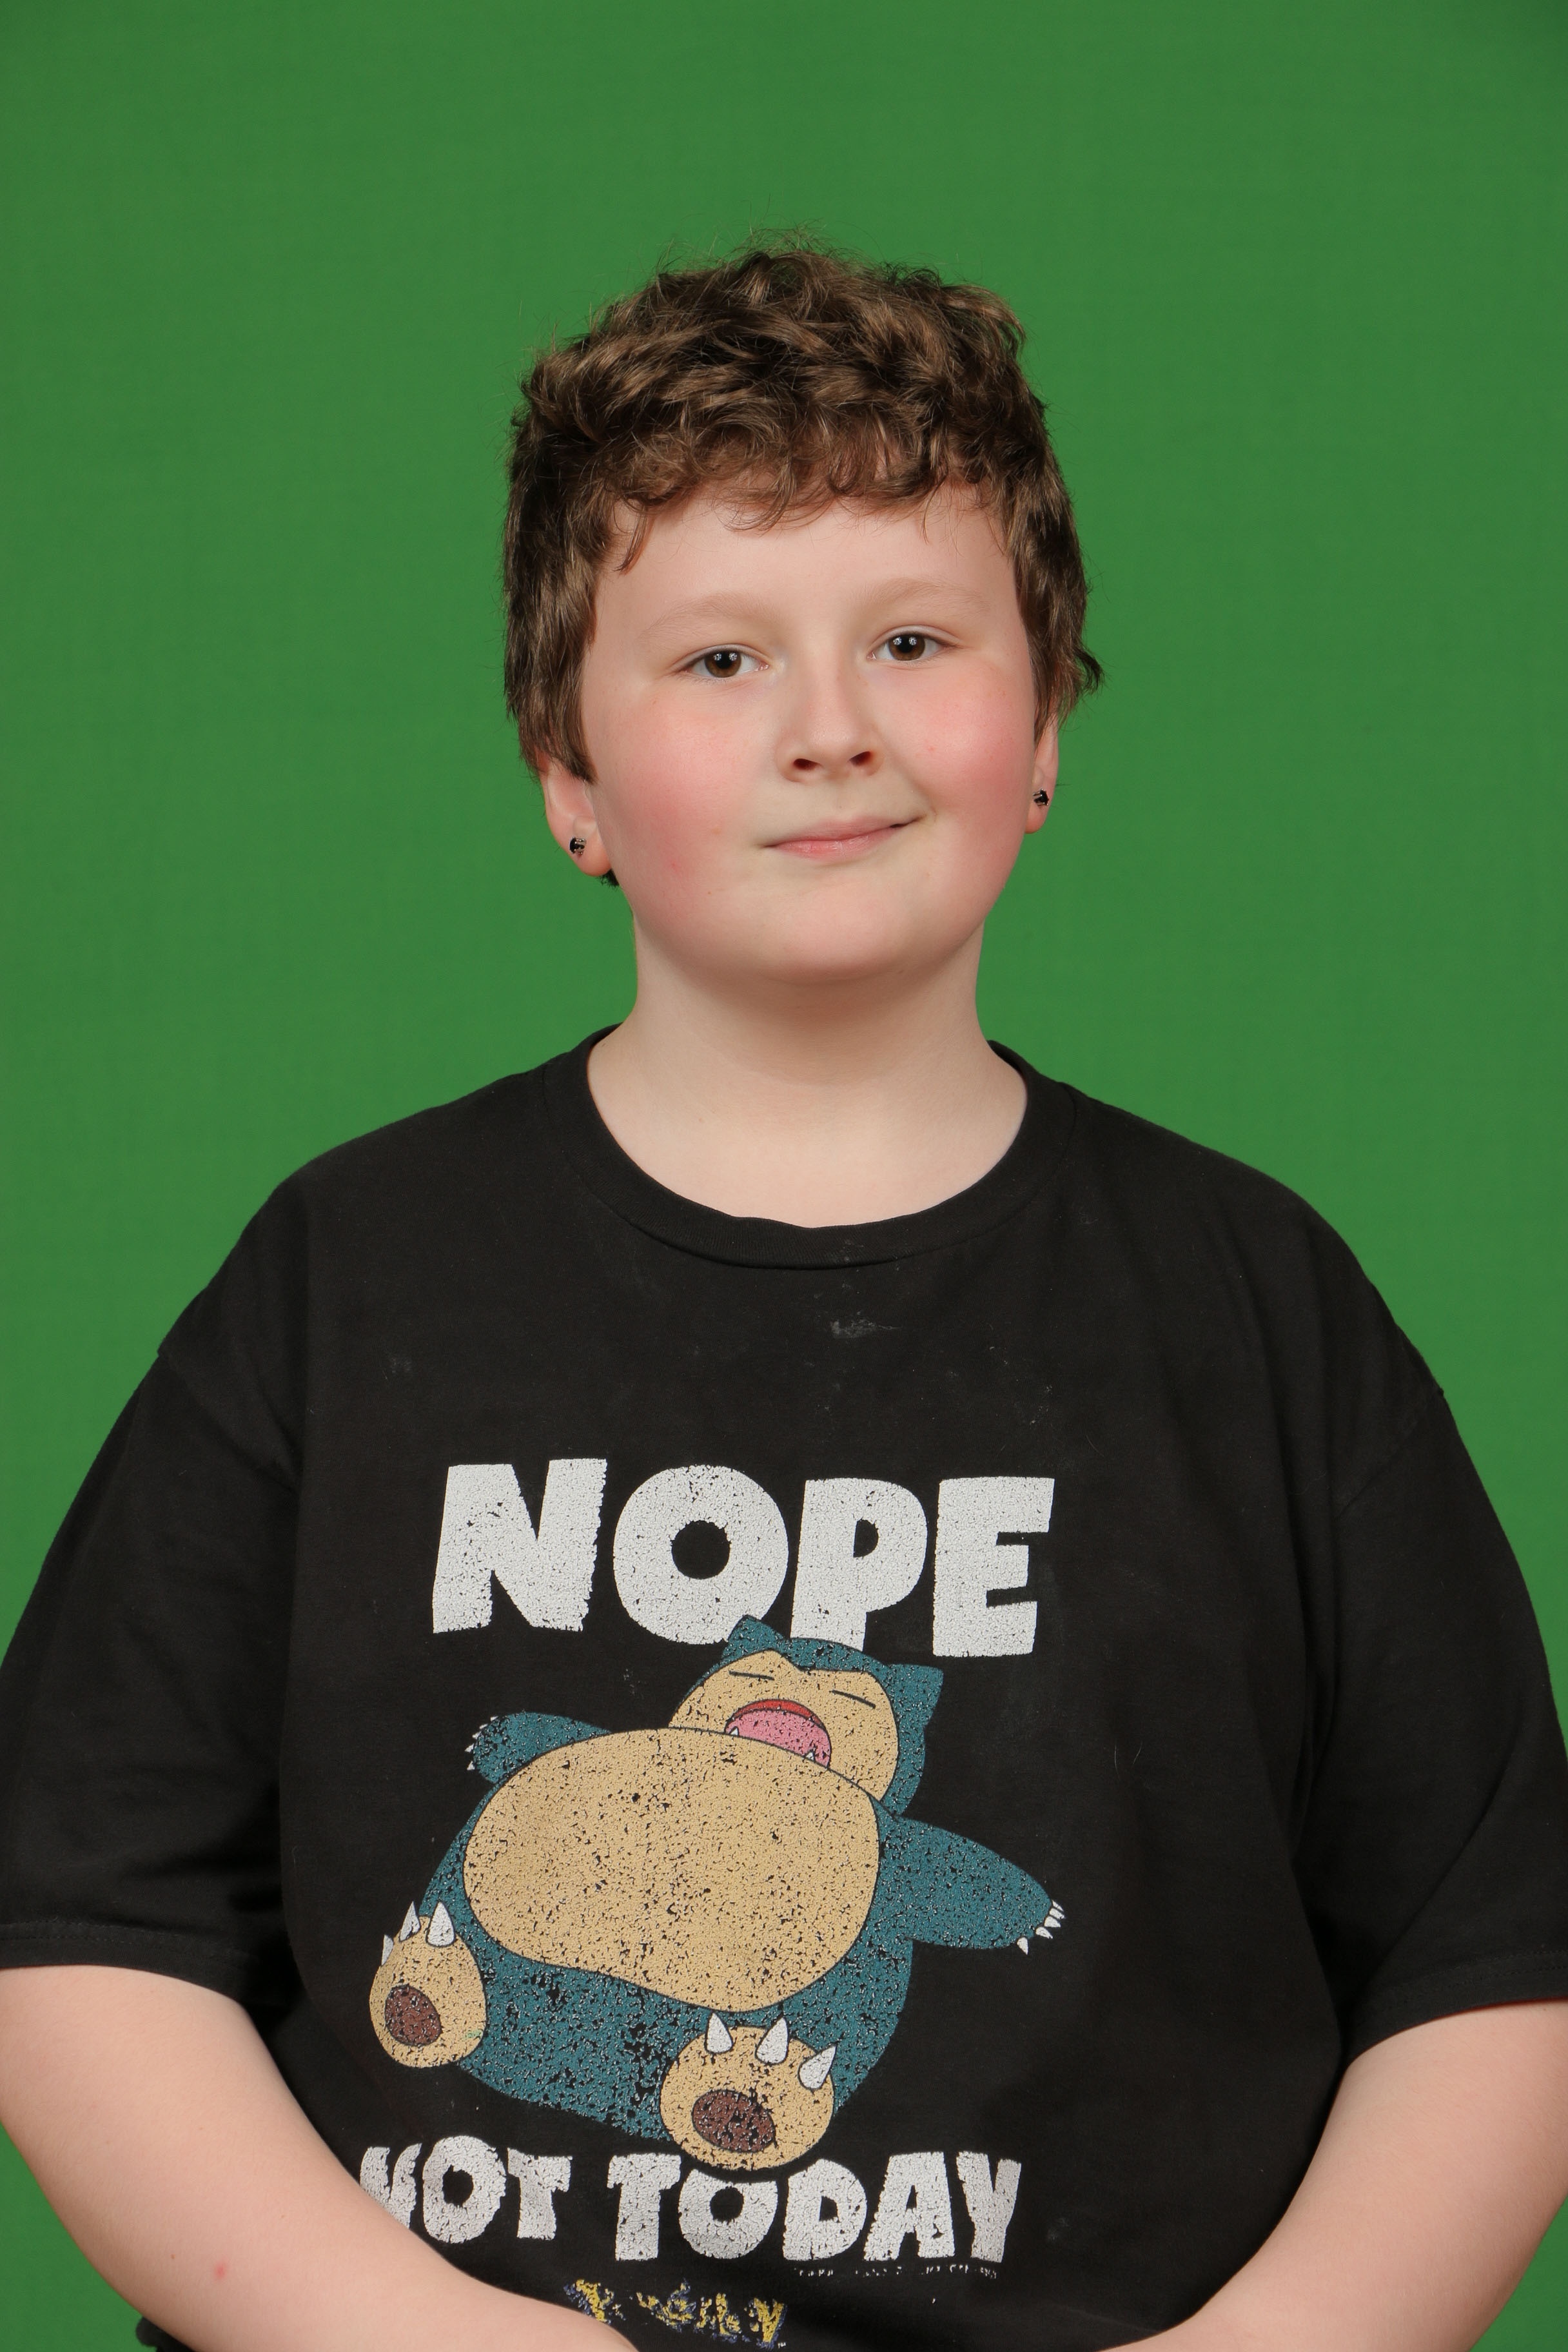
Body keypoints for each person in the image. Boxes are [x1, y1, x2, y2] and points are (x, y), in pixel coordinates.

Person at [1, 242, 1566, 2352]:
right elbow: (78, 1929)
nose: (831, 729)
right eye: (722, 658)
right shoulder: (344, 1274)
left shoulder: (1258, 1306)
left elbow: (1495, 1967)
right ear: (568, 774)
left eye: (912, 638)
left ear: (1045, 724)